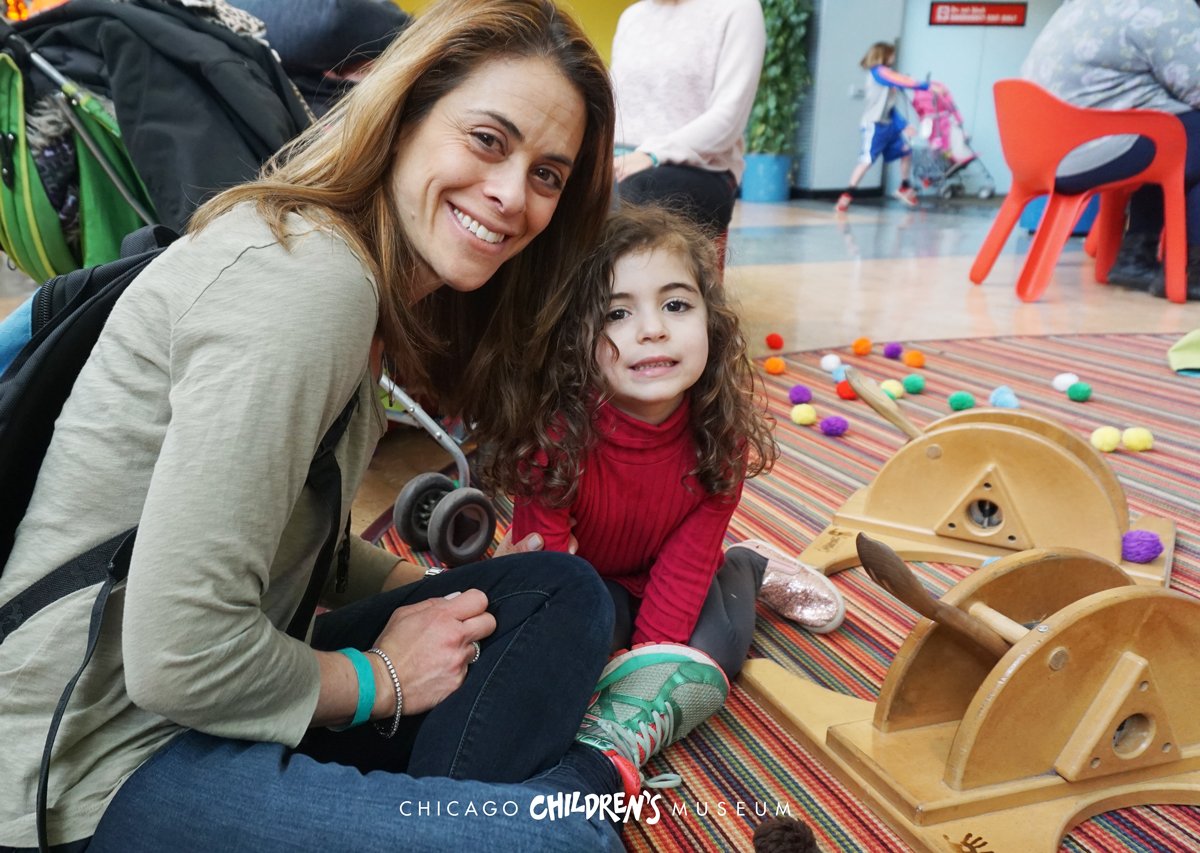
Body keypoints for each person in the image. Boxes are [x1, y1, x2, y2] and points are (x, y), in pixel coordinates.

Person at [0, 2, 725, 850]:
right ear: (404, 114)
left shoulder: (360, 280)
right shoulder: (309, 288)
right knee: (557, 840)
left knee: (559, 597)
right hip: (94, 763)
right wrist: (378, 678)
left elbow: (271, 533)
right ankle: (596, 770)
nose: (511, 196)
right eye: (489, 140)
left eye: (547, 174)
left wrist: (403, 590)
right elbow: (180, 654)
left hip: (216, 684)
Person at [490, 204, 846, 684]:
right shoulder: (553, 436)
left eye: (676, 305)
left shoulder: (720, 436)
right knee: (575, 645)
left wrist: (651, 665)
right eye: (617, 312)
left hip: (678, 571)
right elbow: (550, 575)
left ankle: (747, 566)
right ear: (576, 339)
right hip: (591, 580)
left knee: (712, 655)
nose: (653, 329)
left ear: (710, 320)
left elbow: (687, 563)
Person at [1022, 0, 1200, 300]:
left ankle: (1136, 255)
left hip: (1039, 148)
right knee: (1186, 133)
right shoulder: (1169, 8)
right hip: (1088, 150)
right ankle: (1189, 271)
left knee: (1173, 131)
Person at [608, 0, 765, 239]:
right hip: (623, 159)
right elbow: (613, 104)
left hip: (699, 168)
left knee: (628, 194)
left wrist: (650, 154)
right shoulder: (631, 17)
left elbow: (728, 118)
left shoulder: (737, 8)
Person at [835, 41, 930, 213]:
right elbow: (901, 81)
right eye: (892, 54)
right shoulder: (878, 73)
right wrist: (926, 86)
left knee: (906, 152)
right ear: (884, 54)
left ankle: (904, 186)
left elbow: (890, 108)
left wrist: (903, 126)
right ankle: (847, 195)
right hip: (874, 125)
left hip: (889, 124)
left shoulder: (889, 75)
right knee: (866, 161)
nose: (894, 57)